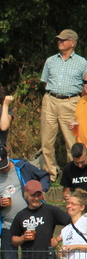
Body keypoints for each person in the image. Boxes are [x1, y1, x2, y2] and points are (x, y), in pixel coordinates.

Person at [40, 29, 87, 181]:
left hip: (71, 102)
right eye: (59, 40)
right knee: (46, 140)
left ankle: (73, 174)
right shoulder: (50, 60)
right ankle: (49, 174)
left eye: (63, 40)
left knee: (72, 140)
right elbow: (45, 81)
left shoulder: (82, 62)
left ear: (72, 42)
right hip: (50, 100)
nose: (60, 42)